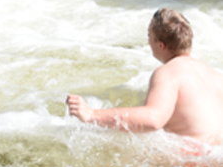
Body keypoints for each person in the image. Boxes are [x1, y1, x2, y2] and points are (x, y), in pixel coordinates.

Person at [66, 8, 223, 145]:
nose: (148, 42)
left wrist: (92, 115)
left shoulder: (168, 72)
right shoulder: (214, 75)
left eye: (149, 36)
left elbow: (153, 119)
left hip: (197, 160)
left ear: (160, 45)